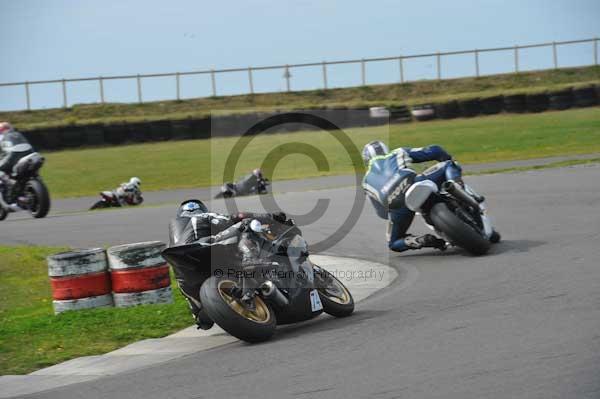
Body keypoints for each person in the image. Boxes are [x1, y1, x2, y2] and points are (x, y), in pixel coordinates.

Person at [167, 199, 287, 329]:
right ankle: (250, 260)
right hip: (203, 247)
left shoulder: (174, 241)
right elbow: (238, 216)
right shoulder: (202, 216)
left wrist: (206, 312)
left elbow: (205, 323)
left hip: (186, 276)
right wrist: (272, 217)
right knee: (245, 224)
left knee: (200, 311)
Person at [362, 140, 498, 253]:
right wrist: (445, 158)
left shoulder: (365, 182)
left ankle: (420, 241)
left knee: (393, 243)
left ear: (366, 160)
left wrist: (397, 212)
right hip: (412, 182)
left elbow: (382, 213)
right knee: (449, 165)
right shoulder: (397, 152)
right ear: (385, 149)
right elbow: (434, 150)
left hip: (395, 205)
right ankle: (457, 188)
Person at [0, 122, 35, 210]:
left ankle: (11, 188)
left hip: (13, 158)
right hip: (31, 155)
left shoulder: (2, 136)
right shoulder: (17, 134)